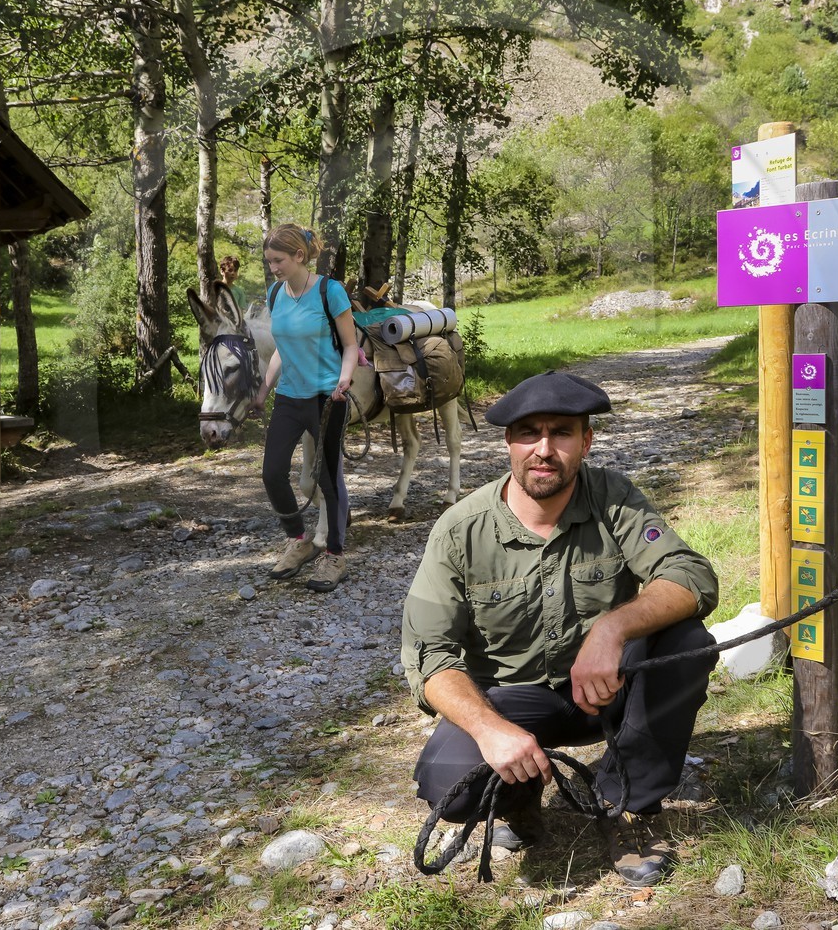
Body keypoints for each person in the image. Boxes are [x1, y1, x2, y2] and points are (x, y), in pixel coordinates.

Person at [401, 371, 719, 887]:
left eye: (562, 433)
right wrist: (489, 730)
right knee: (451, 788)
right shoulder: (460, 530)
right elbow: (427, 656)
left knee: (687, 643)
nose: (543, 449)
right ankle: (519, 802)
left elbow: (691, 575)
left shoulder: (613, 499)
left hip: (607, 690)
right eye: (528, 432)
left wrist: (612, 629)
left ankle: (629, 806)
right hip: (516, 701)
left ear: (585, 441)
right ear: (508, 442)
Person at [251, 224, 360, 591]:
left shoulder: (331, 292)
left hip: (327, 397)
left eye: (278, 260)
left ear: (299, 256)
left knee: (328, 479)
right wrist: (264, 390)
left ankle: (334, 555)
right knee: (272, 473)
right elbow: (283, 346)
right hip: (289, 396)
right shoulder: (275, 294)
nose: (273, 268)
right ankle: (298, 540)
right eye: (269, 262)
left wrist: (344, 379)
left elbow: (349, 344)